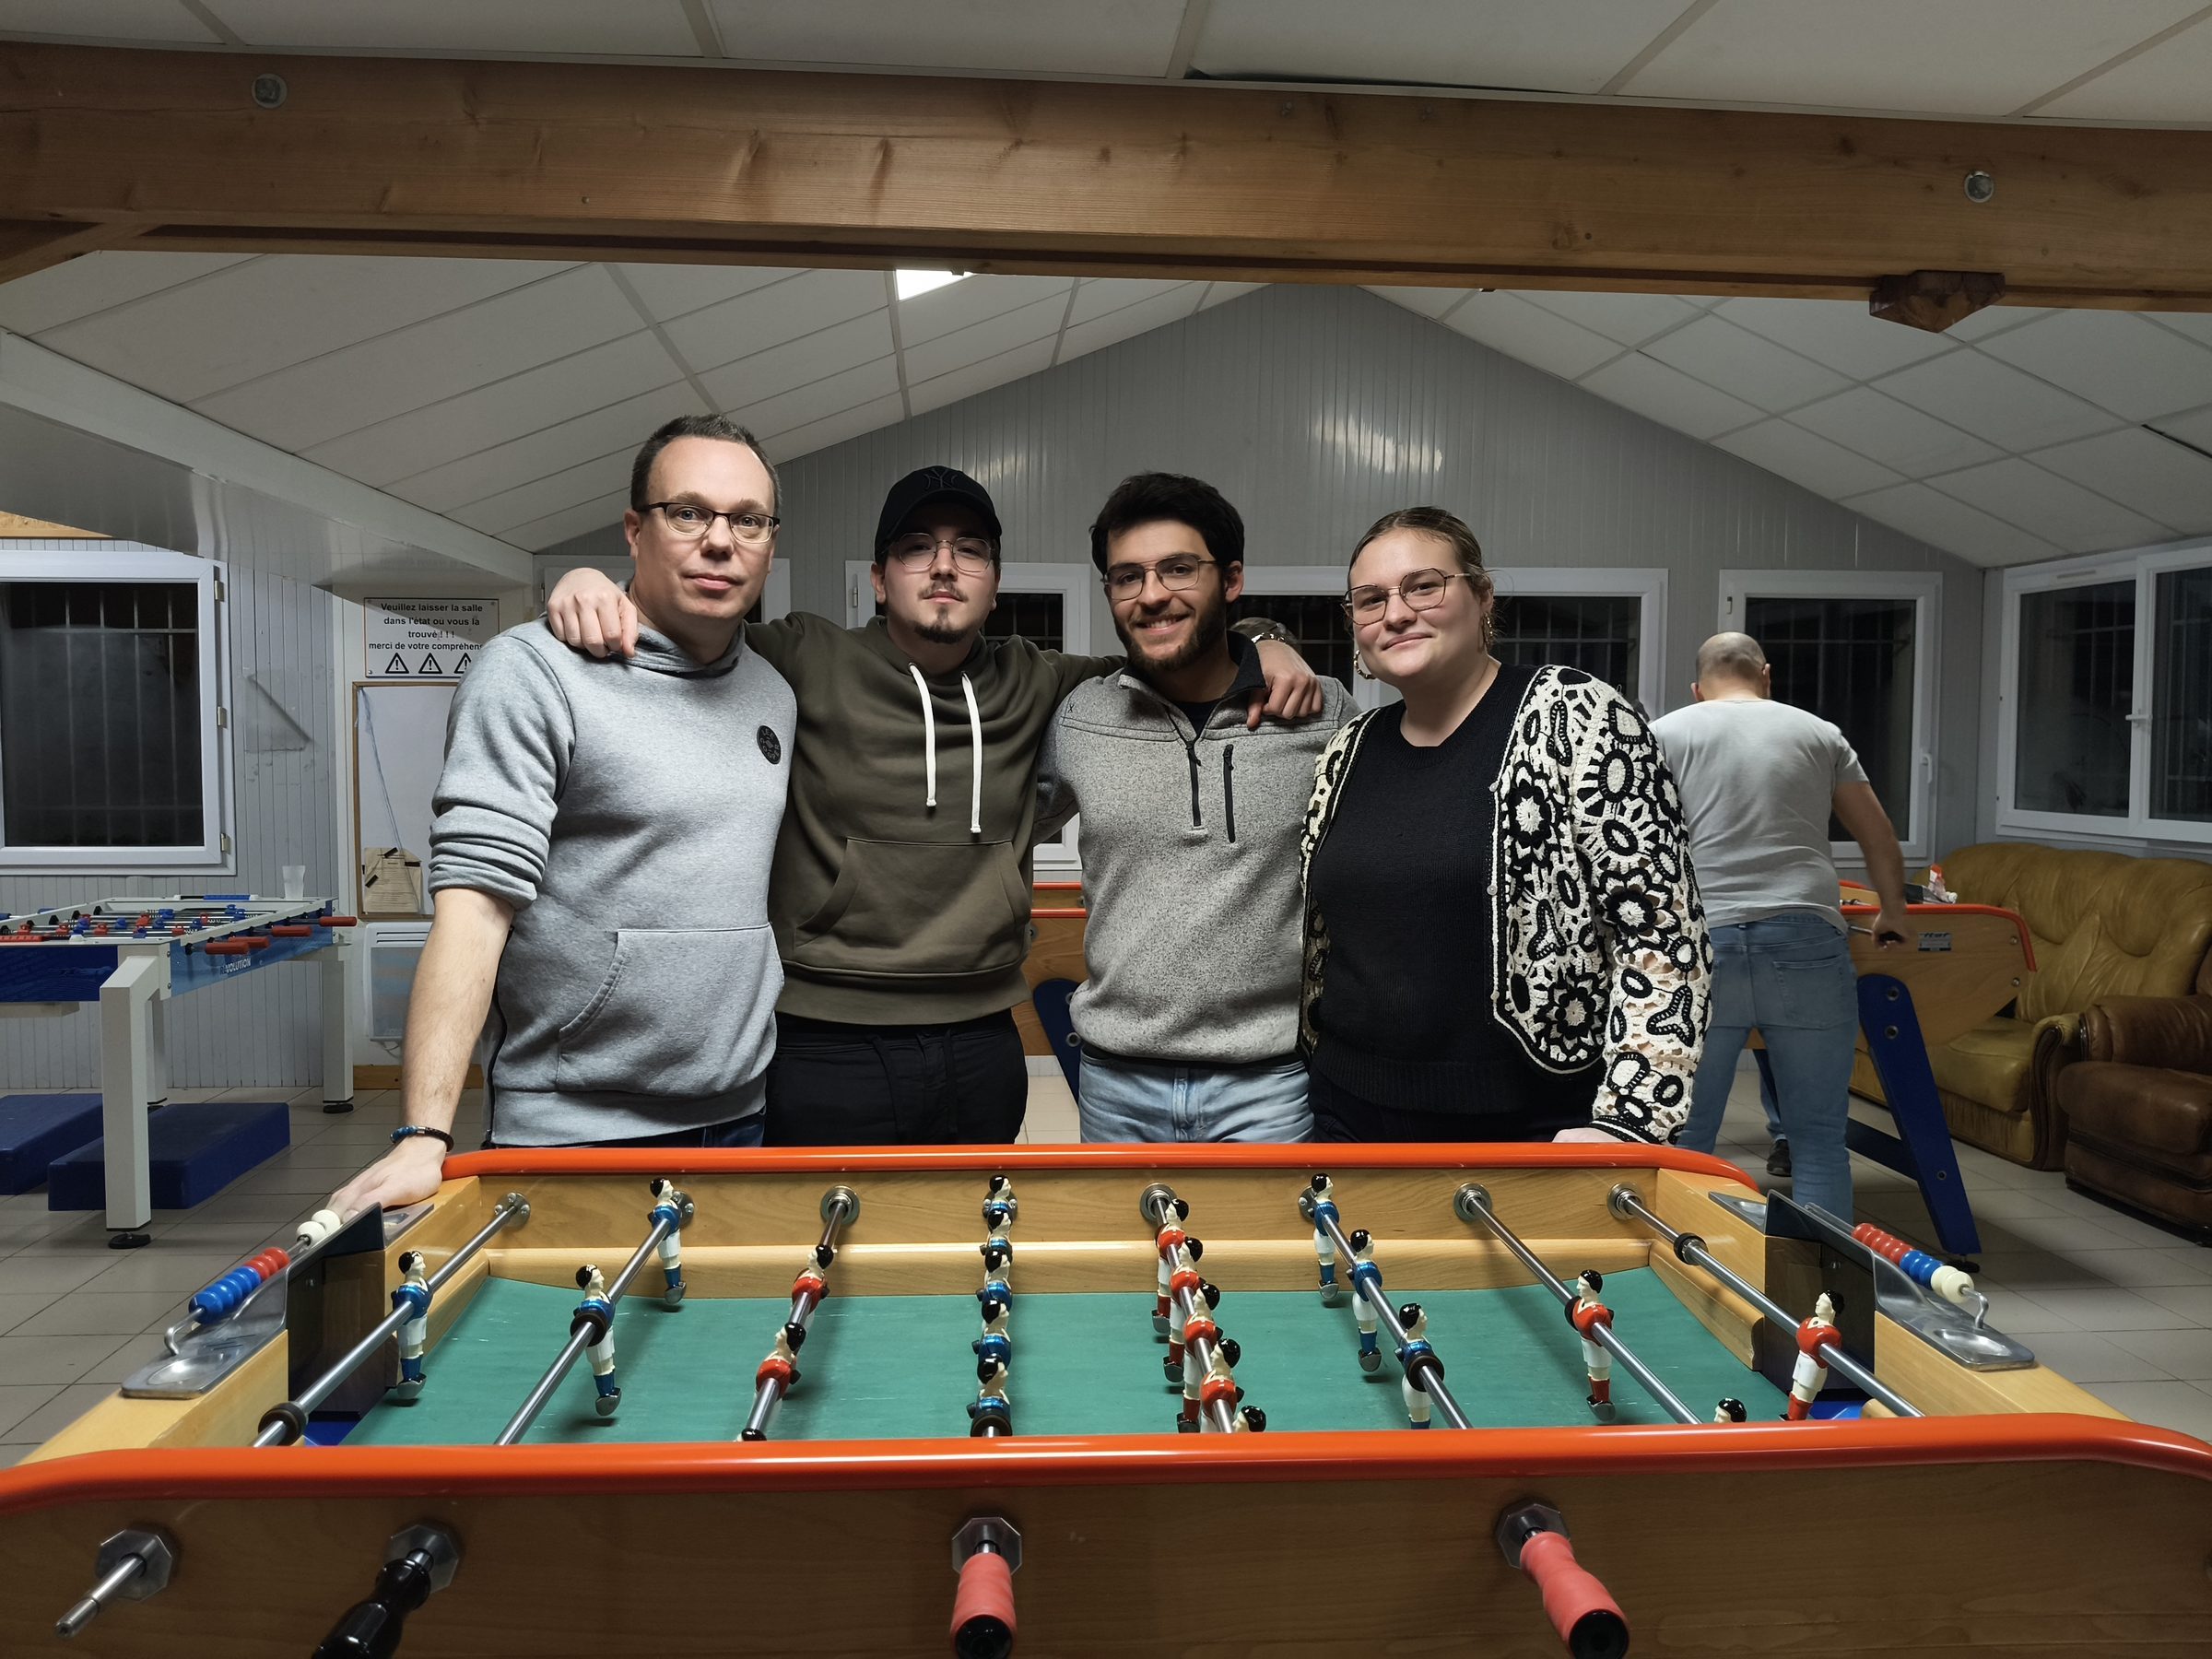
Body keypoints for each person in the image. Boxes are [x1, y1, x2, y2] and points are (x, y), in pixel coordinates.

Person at [544, 466, 1323, 1147]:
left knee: (972, 1250)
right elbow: (694, 629)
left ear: (994, 580)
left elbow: (1175, 651)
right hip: (825, 1041)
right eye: (917, 548)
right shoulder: (802, 655)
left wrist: (1264, 646)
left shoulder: (1046, 683)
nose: (944, 567)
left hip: (983, 1038)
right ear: (880, 579)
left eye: (969, 550)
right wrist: (595, 584)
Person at [334, 415, 796, 1218]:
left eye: (748, 520)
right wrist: (423, 1135)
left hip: (739, 1118)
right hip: (571, 1131)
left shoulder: (773, 693)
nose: (720, 542)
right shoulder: (532, 673)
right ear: (635, 530)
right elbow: (475, 910)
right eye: (689, 512)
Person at [1300, 507, 1710, 1145]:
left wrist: (1628, 1122)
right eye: (1371, 600)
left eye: (1423, 587)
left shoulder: (1578, 717)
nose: (1396, 613)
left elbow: (1661, 932)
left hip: (1533, 1124)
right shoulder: (1347, 748)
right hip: (1346, 1113)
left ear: (1482, 597)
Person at [1037, 473, 1358, 1143]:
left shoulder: (1321, 712)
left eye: (1179, 569)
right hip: (1115, 1083)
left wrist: (1269, 641)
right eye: (1127, 577)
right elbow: (1000, 831)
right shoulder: (1081, 716)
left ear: (1232, 579)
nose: (1152, 594)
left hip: (1272, 1085)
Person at [1651, 630, 1913, 1222]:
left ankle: (1684, 1264)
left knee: (1685, 1140)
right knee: (1818, 1138)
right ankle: (1819, 1274)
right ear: (1766, 676)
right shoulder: (1819, 733)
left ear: (1697, 689)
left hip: (1700, 946)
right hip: (1806, 940)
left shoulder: (1665, 734)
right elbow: (1878, 837)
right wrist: (1893, 912)